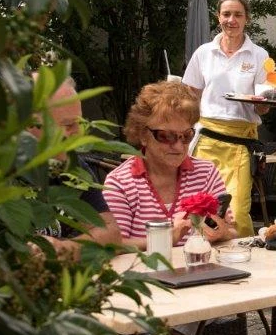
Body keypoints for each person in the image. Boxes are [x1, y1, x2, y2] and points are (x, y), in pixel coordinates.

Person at [103, 81, 237, 249]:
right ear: (143, 135)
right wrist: (164, 240)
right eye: (166, 136)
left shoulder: (206, 173)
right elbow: (113, 245)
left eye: (186, 136)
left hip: (199, 272)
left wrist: (221, 232)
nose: (179, 146)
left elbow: (232, 231)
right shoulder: (120, 182)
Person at [183, 0, 270, 238]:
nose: (231, 20)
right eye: (226, 14)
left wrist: (267, 102)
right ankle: (200, 256)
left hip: (240, 143)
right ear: (217, 17)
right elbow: (191, 96)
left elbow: (262, 105)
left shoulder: (259, 55)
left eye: (237, 15)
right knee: (203, 207)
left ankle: (246, 262)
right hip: (207, 139)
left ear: (247, 19)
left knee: (238, 211)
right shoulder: (203, 52)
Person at [30, 77, 122, 260]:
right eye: (68, 125)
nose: (79, 134)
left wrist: (64, 249)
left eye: (79, 123)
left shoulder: (71, 167)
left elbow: (112, 234)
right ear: (30, 124)